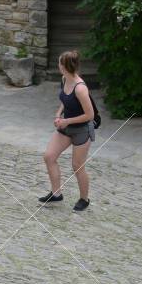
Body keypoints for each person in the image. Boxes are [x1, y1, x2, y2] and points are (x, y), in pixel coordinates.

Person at [40, 50, 95, 212]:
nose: (58, 65)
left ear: (64, 66)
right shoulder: (64, 79)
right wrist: (58, 114)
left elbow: (89, 115)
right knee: (49, 156)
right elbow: (66, 101)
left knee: (77, 166)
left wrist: (66, 121)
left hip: (81, 130)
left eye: (59, 63)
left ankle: (84, 199)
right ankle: (56, 194)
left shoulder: (80, 88)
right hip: (66, 128)